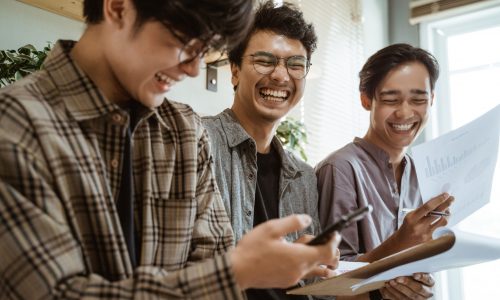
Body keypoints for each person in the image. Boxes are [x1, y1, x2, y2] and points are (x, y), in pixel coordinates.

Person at [0, 0, 340, 299]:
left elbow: (213, 264)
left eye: (204, 47)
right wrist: (235, 273)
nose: (193, 68)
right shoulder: (15, 126)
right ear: (118, 7)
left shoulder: (183, 130)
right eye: (183, 41)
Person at [202, 2, 339, 299]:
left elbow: (316, 289)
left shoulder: (303, 176)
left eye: (295, 65)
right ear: (235, 71)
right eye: (265, 61)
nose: (280, 76)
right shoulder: (198, 141)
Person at [315, 44, 454, 300]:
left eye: (418, 100)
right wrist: (400, 243)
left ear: (432, 99)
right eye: (391, 99)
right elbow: (327, 284)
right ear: (366, 99)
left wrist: (422, 285)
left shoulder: (423, 174)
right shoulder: (340, 169)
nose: (404, 112)